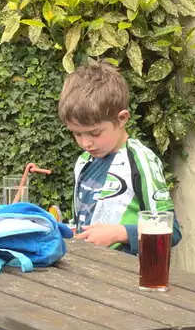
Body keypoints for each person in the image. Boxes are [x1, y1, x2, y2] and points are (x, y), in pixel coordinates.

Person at [58, 60, 180, 255]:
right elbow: (82, 223)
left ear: (122, 118)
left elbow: (171, 231)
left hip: (128, 277)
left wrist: (119, 233)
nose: (85, 143)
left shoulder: (141, 161)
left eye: (95, 133)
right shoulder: (83, 162)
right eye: (77, 134)